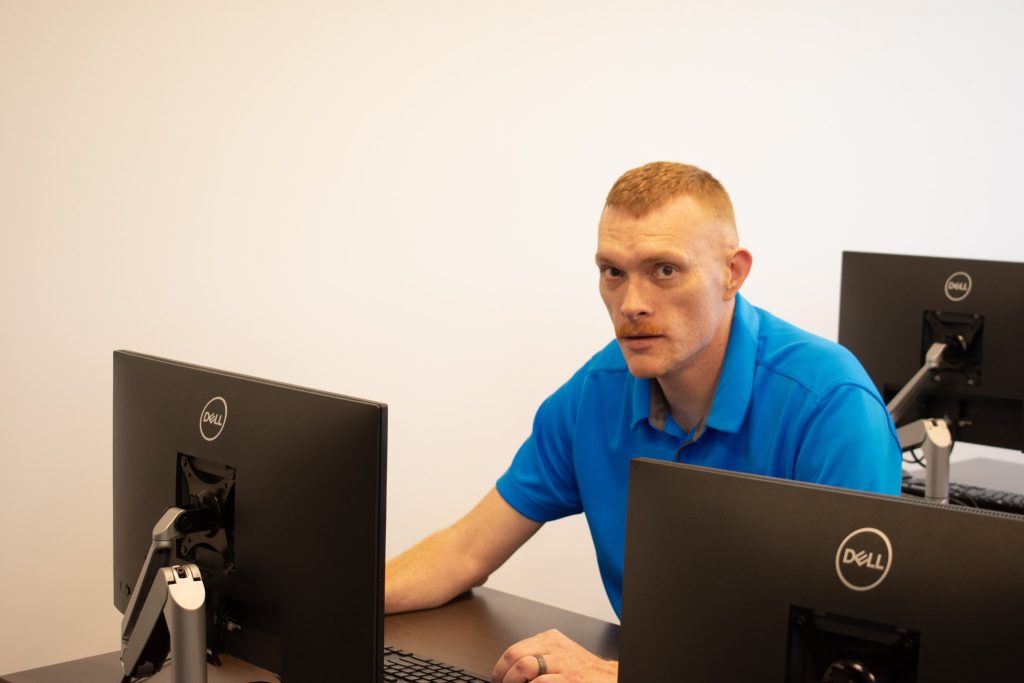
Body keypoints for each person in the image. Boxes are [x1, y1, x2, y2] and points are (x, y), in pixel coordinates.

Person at [385, 161, 902, 682]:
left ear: (733, 272)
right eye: (613, 272)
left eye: (664, 270)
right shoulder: (595, 392)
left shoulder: (832, 406)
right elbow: (465, 549)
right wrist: (329, 601)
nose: (631, 305)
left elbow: (844, 664)